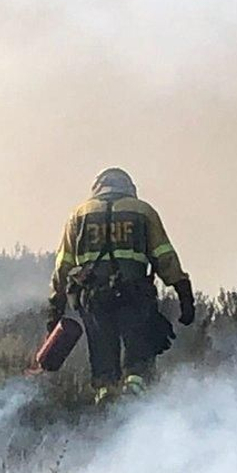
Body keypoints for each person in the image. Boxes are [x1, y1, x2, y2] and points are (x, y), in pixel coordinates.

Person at [47, 168, 196, 402]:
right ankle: (135, 392)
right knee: (138, 351)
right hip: (134, 295)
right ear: (129, 187)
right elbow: (164, 256)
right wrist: (184, 294)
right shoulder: (143, 211)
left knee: (102, 350)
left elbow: (63, 265)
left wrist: (56, 307)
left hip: (93, 298)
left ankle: (105, 395)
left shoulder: (79, 214)